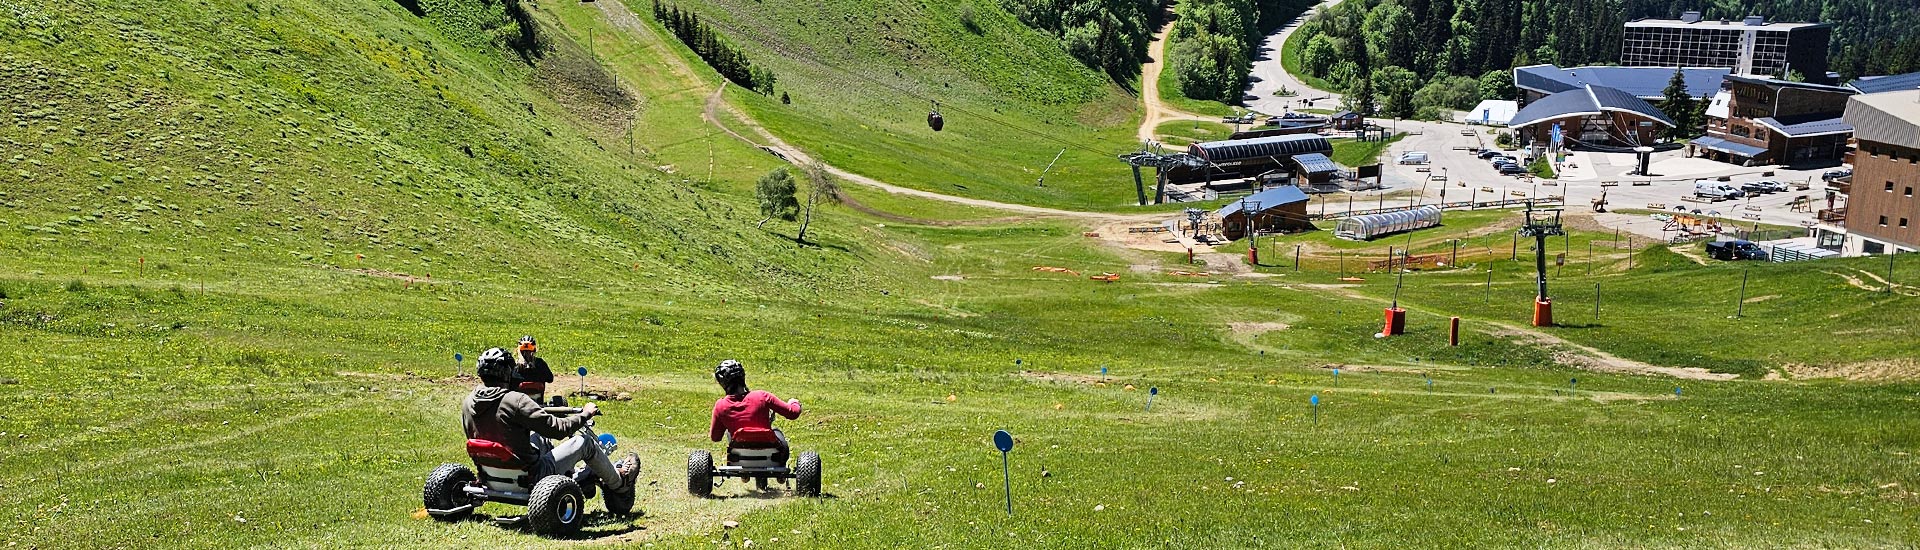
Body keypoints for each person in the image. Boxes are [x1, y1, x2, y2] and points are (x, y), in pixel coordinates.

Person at [463, 347, 634, 497]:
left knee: (539, 437)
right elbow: (559, 430)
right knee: (585, 442)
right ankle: (620, 482)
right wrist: (585, 414)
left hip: (489, 476)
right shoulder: (515, 400)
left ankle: (571, 474)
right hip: (531, 477)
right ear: (508, 372)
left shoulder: (468, 402)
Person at [708, 359, 802, 459]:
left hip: (739, 457)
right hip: (772, 456)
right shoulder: (762, 396)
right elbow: (793, 413)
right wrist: (794, 402)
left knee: (730, 434)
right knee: (777, 432)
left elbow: (716, 437)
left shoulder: (721, 405)